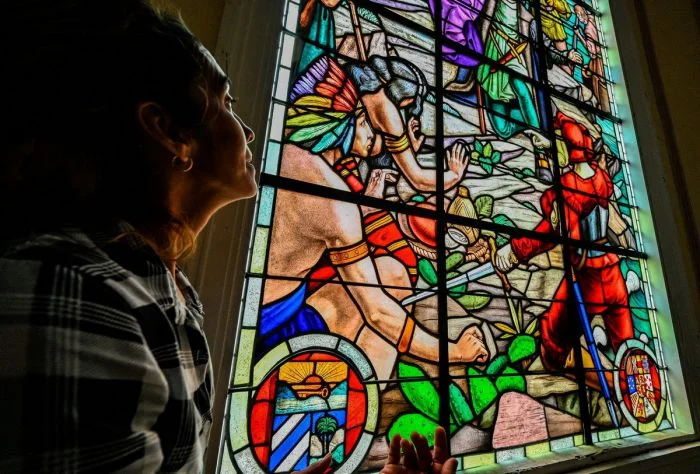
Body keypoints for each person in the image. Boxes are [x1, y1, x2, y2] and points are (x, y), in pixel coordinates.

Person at [0, 1, 460, 472]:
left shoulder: (165, 289)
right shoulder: (71, 292)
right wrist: (457, 352)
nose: (249, 130)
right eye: (226, 103)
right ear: (168, 131)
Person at [262, 55, 488, 381]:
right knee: (387, 295)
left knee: (391, 273)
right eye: (368, 120)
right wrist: (456, 352)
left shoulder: (284, 155)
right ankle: (347, 400)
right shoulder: (330, 196)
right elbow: (378, 313)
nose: (376, 136)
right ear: (346, 117)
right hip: (275, 334)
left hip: (272, 307)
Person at [494, 111, 634, 390]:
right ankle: (636, 396)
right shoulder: (600, 178)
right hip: (613, 274)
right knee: (628, 351)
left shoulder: (569, 187)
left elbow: (553, 231)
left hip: (587, 281)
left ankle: (606, 387)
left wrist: (514, 251)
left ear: (565, 150)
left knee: (553, 341)